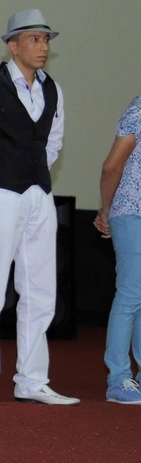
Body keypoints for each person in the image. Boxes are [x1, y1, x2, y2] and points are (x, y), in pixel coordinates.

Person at [0, 9, 78, 406]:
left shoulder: (53, 89)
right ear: (13, 45)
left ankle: (31, 380)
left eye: (46, 40)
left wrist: (33, 178)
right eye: (34, 39)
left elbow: (53, 142)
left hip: (38, 196)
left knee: (40, 289)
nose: (43, 47)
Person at [94, 96, 141, 404]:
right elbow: (112, 166)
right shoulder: (139, 111)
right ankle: (119, 378)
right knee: (130, 294)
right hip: (133, 212)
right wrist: (108, 210)